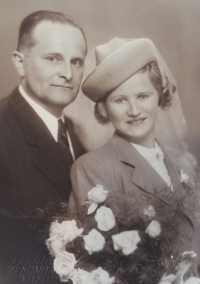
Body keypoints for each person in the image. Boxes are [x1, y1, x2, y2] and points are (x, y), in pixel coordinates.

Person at [70, 38, 198, 254]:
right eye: (120, 100)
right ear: (104, 109)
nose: (134, 110)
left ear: (159, 95)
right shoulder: (93, 168)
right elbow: (101, 259)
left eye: (142, 96)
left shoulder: (183, 161)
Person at [0, 10, 87, 283]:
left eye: (76, 62)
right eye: (53, 59)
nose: (67, 73)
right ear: (20, 63)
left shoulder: (76, 133)